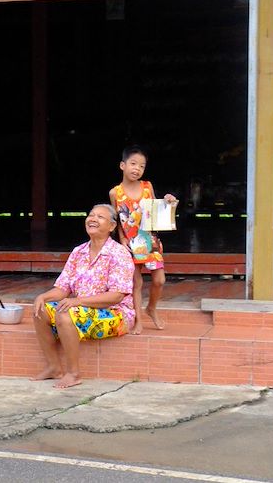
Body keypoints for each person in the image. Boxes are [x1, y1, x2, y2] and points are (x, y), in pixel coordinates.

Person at [31, 204, 136, 389]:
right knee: (41, 310)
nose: (93, 219)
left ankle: (74, 373)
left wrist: (77, 301)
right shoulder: (78, 251)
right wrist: (43, 296)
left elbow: (116, 296)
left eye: (100, 217)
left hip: (116, 314)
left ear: (112, 227)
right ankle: (54, 367)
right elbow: (63, 288)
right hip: (82, 309)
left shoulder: (119, 254)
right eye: (91, 215)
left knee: (65, 313)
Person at [109, 145, 178, 332]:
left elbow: (155, 207)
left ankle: (152, 308)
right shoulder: (115, 193)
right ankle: (138, 319)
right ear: (122, 165)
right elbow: (115, 218)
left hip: (150, 240)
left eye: (141, 166)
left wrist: (168, 201)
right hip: (130, 243)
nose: (137, 168)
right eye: (133, 164)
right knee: (136, 284)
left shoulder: (147, 187)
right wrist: (122, 238)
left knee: (159, 280)